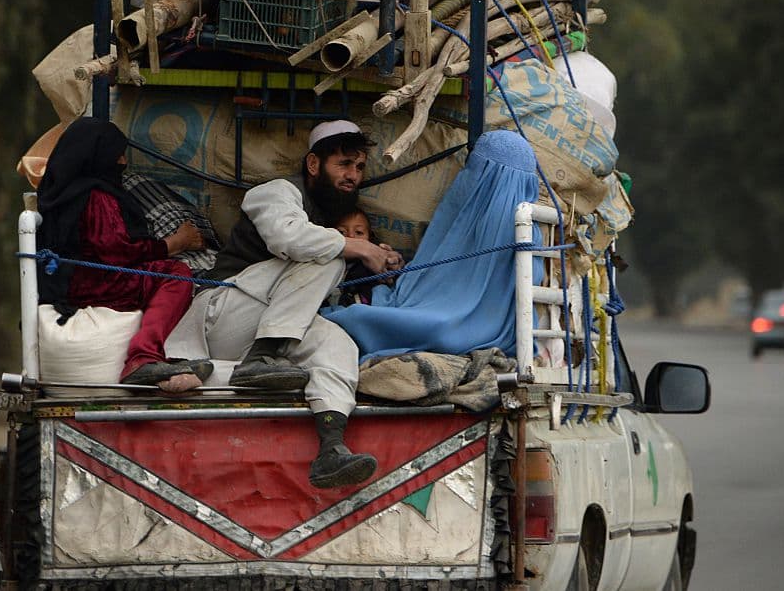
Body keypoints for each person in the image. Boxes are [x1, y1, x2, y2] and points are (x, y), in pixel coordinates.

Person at [164, 120, 402, 489]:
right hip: (222, 311)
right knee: (328, 255)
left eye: (358, 167)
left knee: (338, 345)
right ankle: (260, 359)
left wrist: (380, 260)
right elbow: (289, 239)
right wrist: (358, 248)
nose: (352, 175)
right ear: (313, 164)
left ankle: (331, 447)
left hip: (271, 329)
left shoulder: (330, 220)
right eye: (343, 165)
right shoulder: (275, 192)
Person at [322, 129, 543, 360]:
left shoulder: (472, 210)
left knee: (357, 318)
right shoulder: (529, 226)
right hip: (490, 328)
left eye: (475, 167)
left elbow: (435, 273)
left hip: (447, 325)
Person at [37, 117, 213, 394]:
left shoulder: (57, 191)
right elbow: (117, 253)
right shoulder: (97, 196)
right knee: (176, 274)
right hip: (98, 284)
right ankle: (143, 357)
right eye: (117, 154)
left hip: (66, 284)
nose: (122, 161)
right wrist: (174, 244)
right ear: (100, 156)